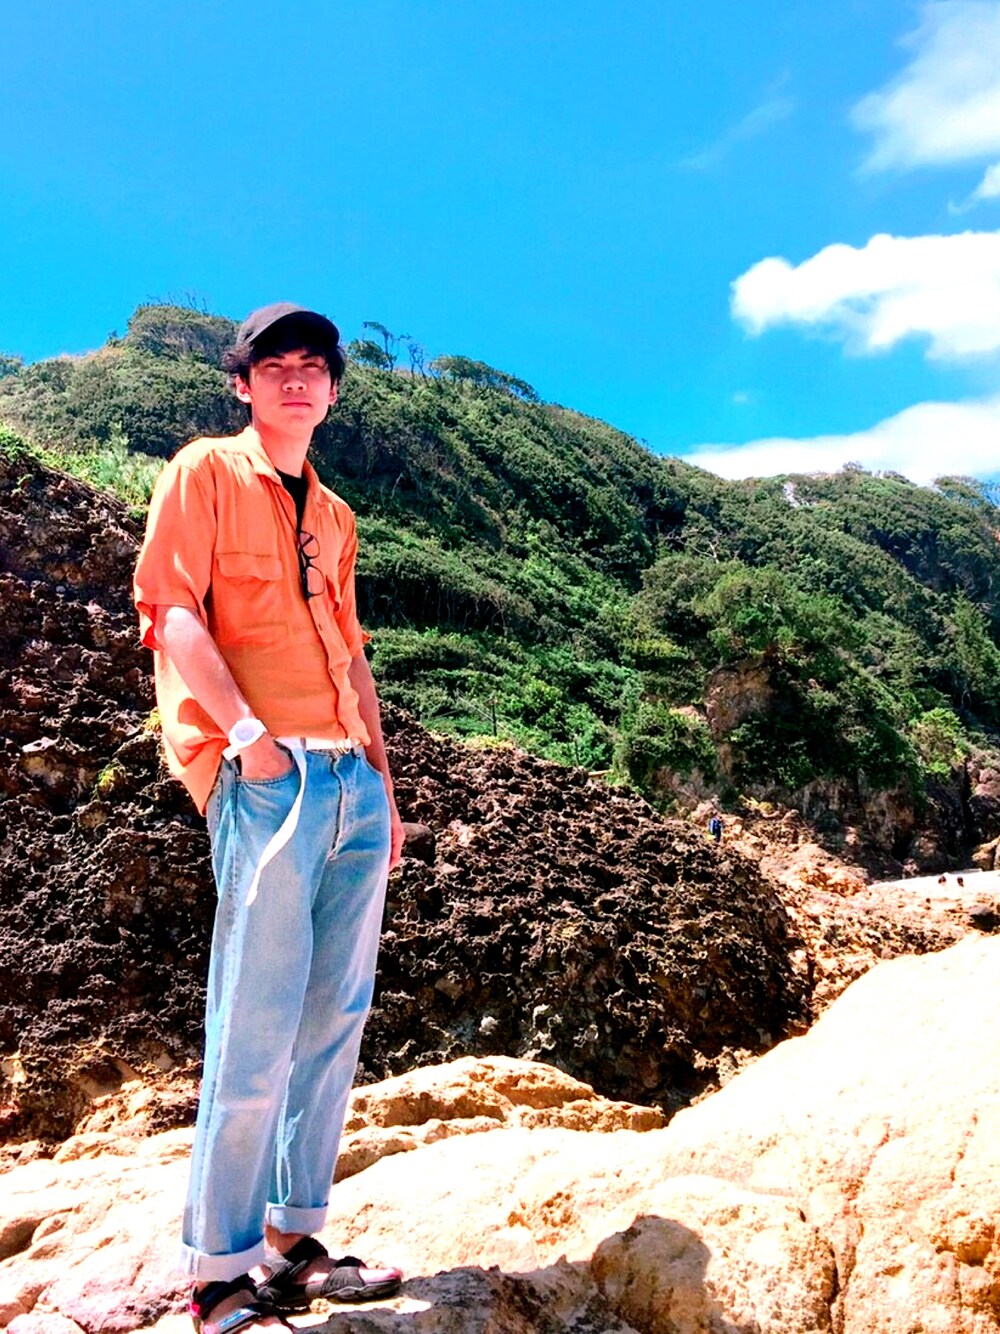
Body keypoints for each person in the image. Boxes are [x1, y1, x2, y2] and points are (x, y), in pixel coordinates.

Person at [133, 303, 404, 1334]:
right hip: (267, 781)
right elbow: (171, 610)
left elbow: (353, 655)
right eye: (275, 364)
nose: (296, 378)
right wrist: (248, 740)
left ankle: (293, 1242)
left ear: (331, 390)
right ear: (243, 384)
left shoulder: (334, 515)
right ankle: (218, 1271)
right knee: (252, 1025)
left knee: (334, 1018)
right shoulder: (203, 471)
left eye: (313, 365)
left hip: (349, 784)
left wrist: (382, 784)